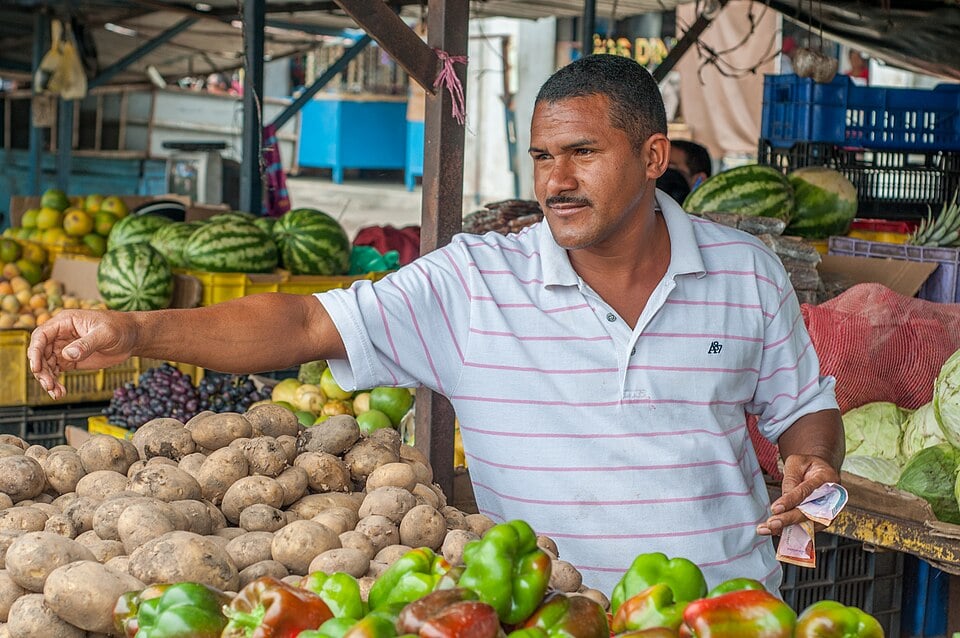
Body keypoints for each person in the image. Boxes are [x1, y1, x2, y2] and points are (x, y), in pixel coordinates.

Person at [28, 54, 843, 596]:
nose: (555, 180)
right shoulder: (474, 280)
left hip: (727, 607)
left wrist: (811, 460)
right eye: (541, 157)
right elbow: (306, 321)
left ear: (655, 157)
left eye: (582, 153)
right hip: (549, 608)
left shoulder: (746, 272)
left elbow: (805, 408)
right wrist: (136, 331)